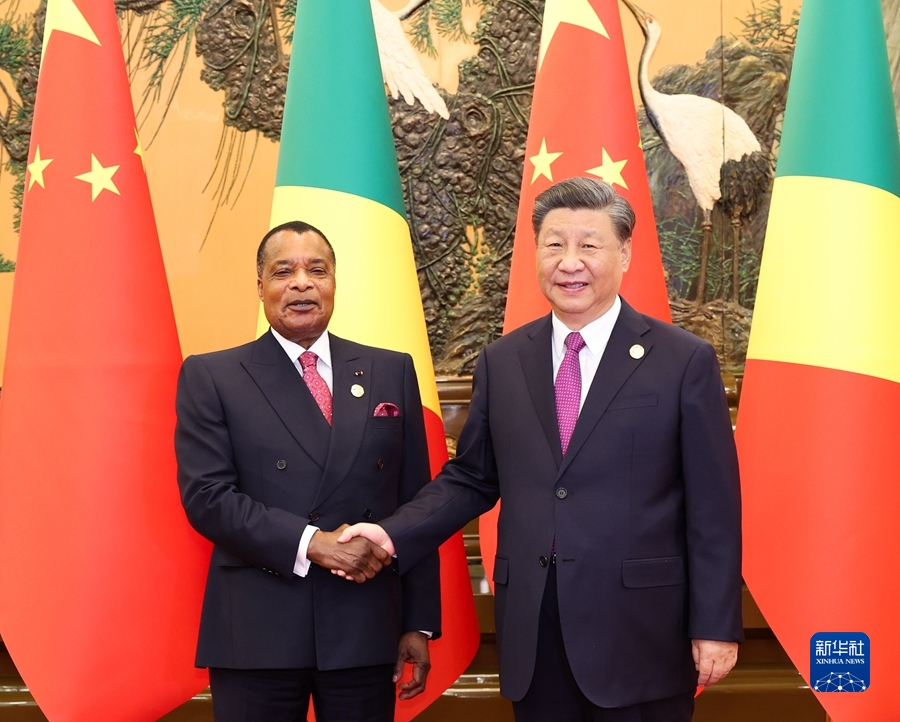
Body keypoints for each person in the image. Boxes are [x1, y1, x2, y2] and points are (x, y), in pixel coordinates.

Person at [338, 178, 742, 721]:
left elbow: (714, 506)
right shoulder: (503, 361)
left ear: (625, 253)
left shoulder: (682, 360)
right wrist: (390, 533)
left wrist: (715, 625)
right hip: (535, 629)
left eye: (589, 245)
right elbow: (472, 477)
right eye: (554, 245)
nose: (569, 262)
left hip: (641, 632)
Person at [175, 220, 440, 722]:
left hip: (364, 624)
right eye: (284, 272)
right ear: (260, 286)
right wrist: (312, 543)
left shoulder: (390, 370)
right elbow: (207, 497)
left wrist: (418, 621)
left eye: (317, 270)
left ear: (334, 281)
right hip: (258, 629)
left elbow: (416, 503)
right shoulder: (213, 375)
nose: (302, 283)